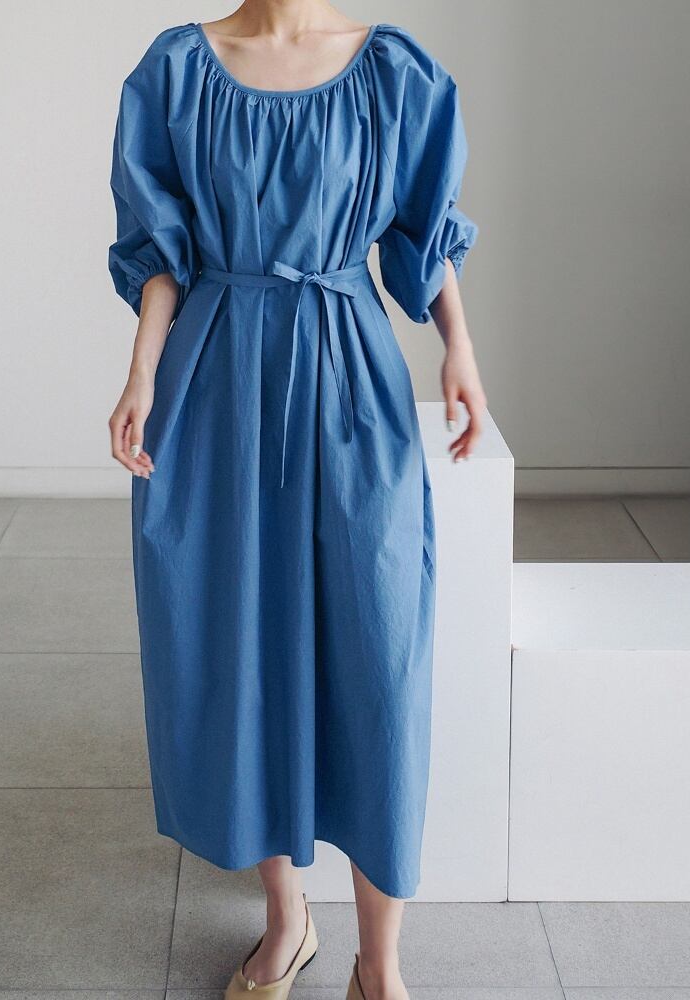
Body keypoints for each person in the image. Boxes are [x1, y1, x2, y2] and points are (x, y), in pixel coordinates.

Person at [107, 3, 487, 999]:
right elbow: (162, 249)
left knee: (378, 649)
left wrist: (459, 346)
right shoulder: (180, 70)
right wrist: (141, 372)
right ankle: (287, 918)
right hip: (218, 379)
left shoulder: (391, 72)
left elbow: (424, 226)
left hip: (348, 370)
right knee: (244, 643)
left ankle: (381, 962)